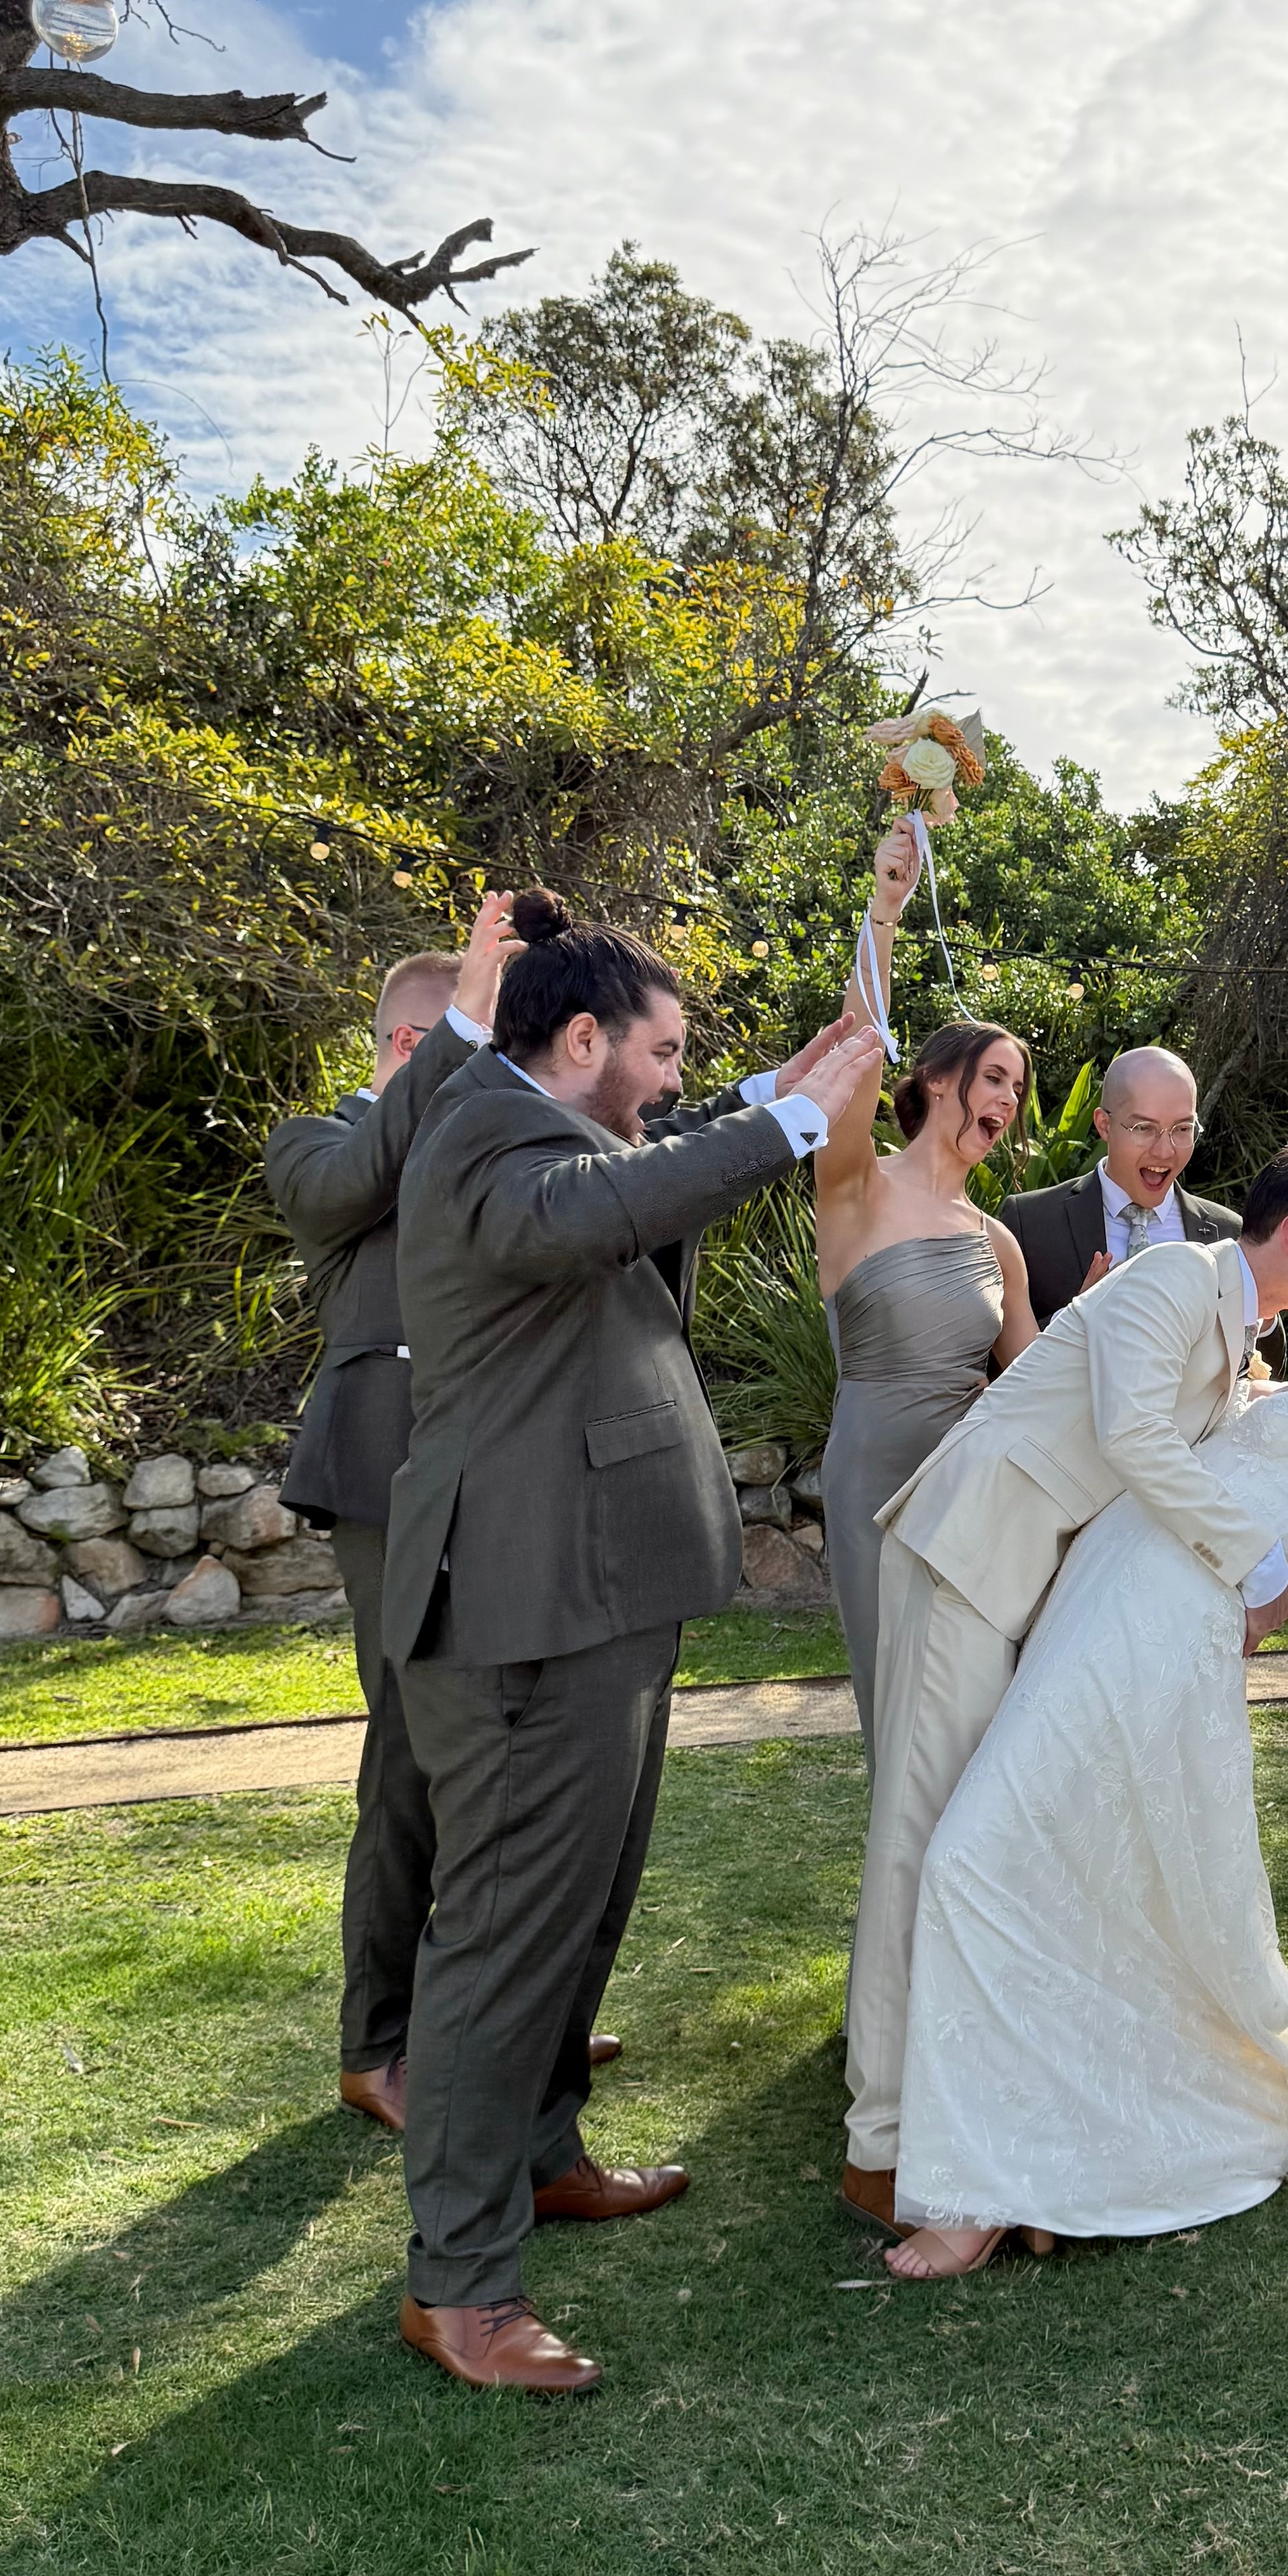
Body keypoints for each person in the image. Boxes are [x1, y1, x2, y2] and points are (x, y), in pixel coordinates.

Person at [383, 892, 883, 2393]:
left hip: (596, 1598)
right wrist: (788, 1127)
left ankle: (539, 2158)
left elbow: (633, 1169)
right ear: (581, 1036)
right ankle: (458, 2286)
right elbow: (589, 1211)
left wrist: (769, 1096)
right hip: (524, 1611)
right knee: (501, 1936)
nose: (673, 1081)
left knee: (581, 1907)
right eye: (661, 1054)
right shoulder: (484, 1127)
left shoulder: (562, 1130)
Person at [886, 1256, 1288, 2272]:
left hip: (1156, 1639)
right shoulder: (1256, 1381)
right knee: (1078, 1878)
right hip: (1091, 1602)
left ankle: (979, 2193)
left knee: (973, 1858)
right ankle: (1045, 2150)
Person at [840, 1142, 1288, 2234]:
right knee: (922, 1839)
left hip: (1029, 1584)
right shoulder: (1177, 1277)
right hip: (970, 1552)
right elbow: (1136, 1433)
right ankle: (883, 2141)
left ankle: (969, 2107)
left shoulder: (1235, 1325)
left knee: (976, 1838)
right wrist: (1262, 1562)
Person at [265, 897, 513, 2134]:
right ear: (418, 1049)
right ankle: (378, 2042)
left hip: (493, 1475)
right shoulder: (320, 1141)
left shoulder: (470, 1135)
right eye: (475, 1041)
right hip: (382, 1478)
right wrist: (475, 1014)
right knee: (410, 1756)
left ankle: (480, 2013)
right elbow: (367, 1180)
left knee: (491, 1753)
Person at [816, 827, 1036, 1740]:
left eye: (1018, 1088)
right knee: (904, 1716)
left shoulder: (999, 1243)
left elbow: (1036, 1388)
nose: (1009, 1099)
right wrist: (886, 911)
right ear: (941, 1081)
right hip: (873, 1480)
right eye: (994, 1077)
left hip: (973, 1490)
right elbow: (855, 1052)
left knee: (979, 1718)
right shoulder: (857, 1189)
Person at [1000, 1041, 1240, 1326]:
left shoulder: (1227, 1233)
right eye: (1145, 1129)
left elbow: (1259, 1355)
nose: (1165, 1151)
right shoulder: (1031, 1222)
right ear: (1104, 1126)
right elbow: (998, 1360)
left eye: (1183, 1129)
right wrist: (1077, 1320)